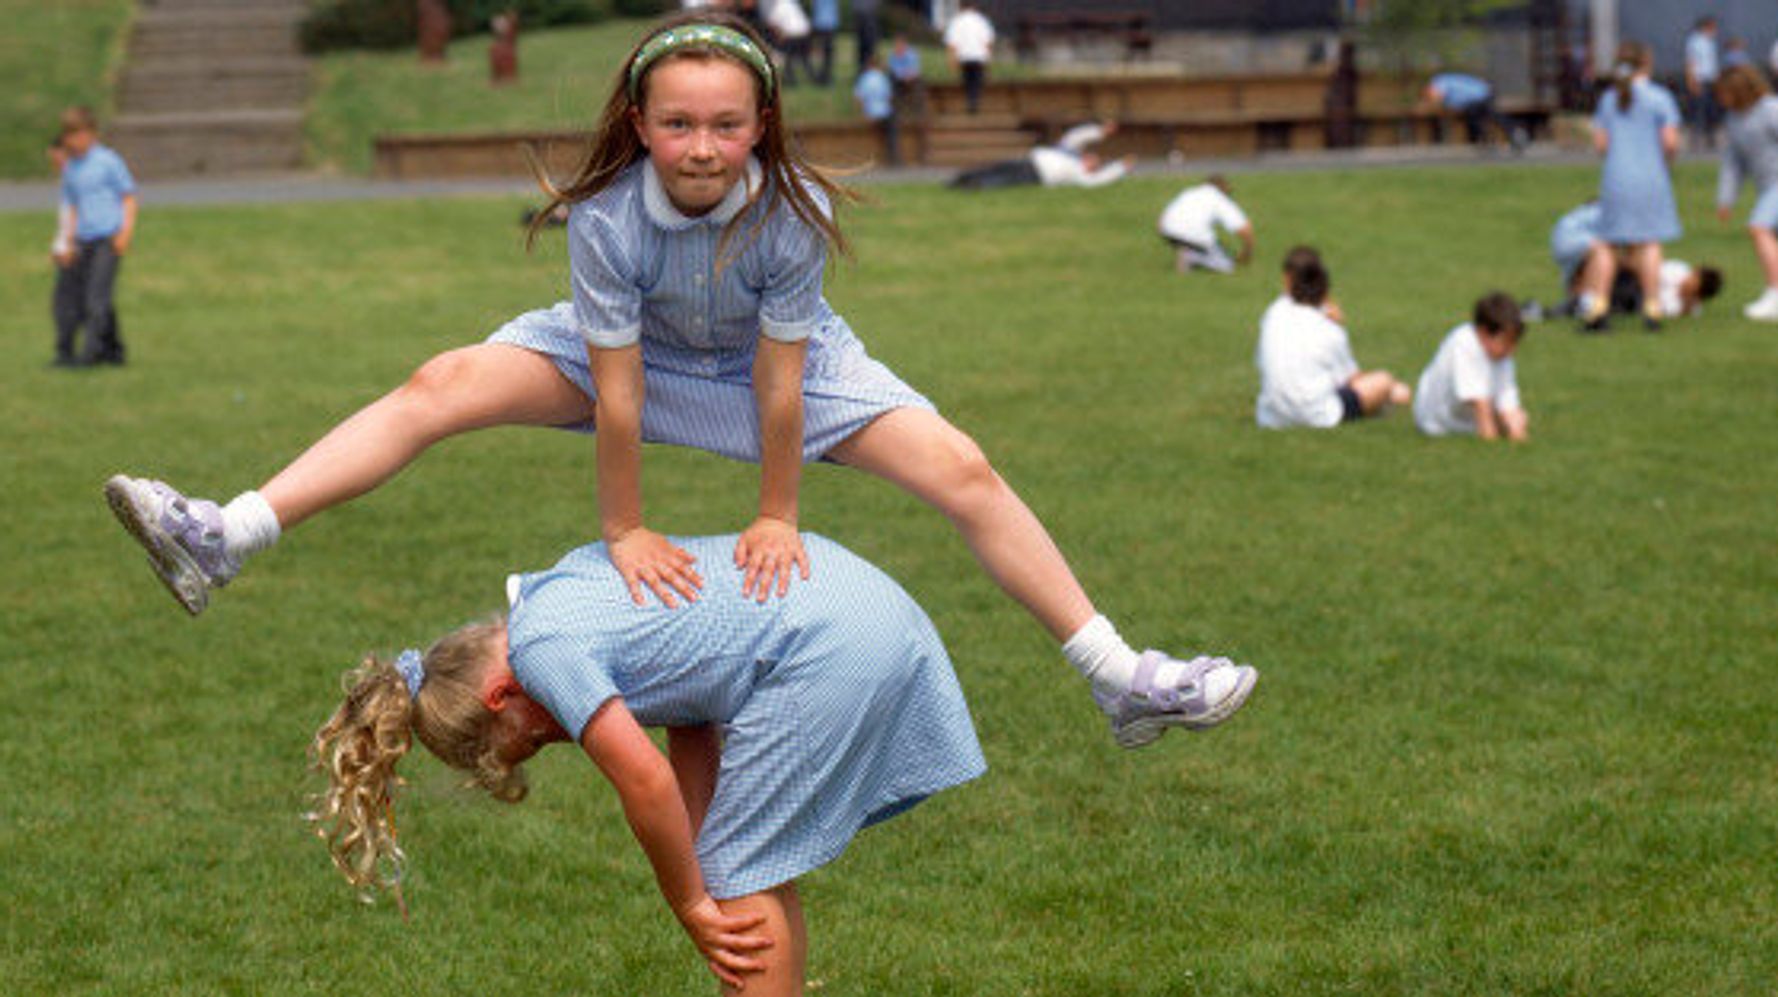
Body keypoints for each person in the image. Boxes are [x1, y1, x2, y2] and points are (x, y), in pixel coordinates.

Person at [106, 13, 1257, 749]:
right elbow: (615, 393)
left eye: (725, 124)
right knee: (441, 379)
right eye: (677, 125)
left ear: (760, 124)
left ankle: (1120, 676)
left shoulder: (788, 219)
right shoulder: (607, 223)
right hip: (633, 355)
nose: (702, 146)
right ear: (641, 126)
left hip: (778, 367)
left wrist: (775, 510)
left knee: (963, 468)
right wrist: (623, 530)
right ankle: (228, 532)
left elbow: (777, 384)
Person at [309, 533, 1002, 994]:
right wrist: (709, 864)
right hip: (855, 602)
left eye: (532, 740)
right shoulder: (558, 591)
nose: (560, 737)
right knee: (746, 862)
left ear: (501, 695)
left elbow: (644, 777)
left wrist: (692, 901)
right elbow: (692, 713)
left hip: (823, 645)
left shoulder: (544, 649)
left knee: (740, 874)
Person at [1580, 42, 1682, 333]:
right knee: (1649, 242)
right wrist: (1667, 163)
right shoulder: (1661, 98)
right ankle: (1652, 307)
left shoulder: (1609, 99)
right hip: (1651, 176)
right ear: (1647, 62)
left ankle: (1598, 306)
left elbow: (1600, 144)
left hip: (1616, 177)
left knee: (1606, 243)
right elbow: (1671, 142)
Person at [1254, 246, 1411, 430]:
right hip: (1318, 415)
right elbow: (1353, 380)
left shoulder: (1273, 313)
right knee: (1384, 381)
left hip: (1271, 416)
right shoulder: (1330, 330)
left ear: (1288, 280)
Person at [54, 106, 136, 367]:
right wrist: (67, 241)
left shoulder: (108, 161)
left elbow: (128, 197)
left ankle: (89, 355)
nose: (74, 141)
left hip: (107, 238)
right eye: (69, 135)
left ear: (92, 134)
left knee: (95, 298)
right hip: (83, 238)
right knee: (88, 296)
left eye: (79, 135)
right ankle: (114, 350)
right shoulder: (71, 169)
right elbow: (72, 207)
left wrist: (125, 232)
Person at [1412, 293, 1528, 442]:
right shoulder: (1464, 343)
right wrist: (1491, 443)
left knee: (1519, 418)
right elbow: (1480, 404)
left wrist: (1517, 429)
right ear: (1484, 332)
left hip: (1465, 420)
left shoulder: (1501, 356)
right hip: (1438, 423)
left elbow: (1507, 399)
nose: (1512, 350)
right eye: (1506, 342)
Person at [1713, 63, 1778, 320]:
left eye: (1724, 93)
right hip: (1766, 187)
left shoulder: (1770, 110)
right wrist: (1726, 198)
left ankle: (1775, 294)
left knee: (1758, 227)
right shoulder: (1734, 120)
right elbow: (1733, 163)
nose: (1720, 99)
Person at [948, 121, 1133, 191]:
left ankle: (970, 187)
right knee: (997, 167)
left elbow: (1098, 181)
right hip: (1031, 160)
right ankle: (961, 178)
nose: (1091, 159)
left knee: (1000, 181)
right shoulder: (1070, 151)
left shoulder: (1080, 175)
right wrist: (1101, 132)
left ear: (1093, 168)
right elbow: (1076, 136)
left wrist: (1120, 168)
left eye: (1095, 162)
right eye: (1092, 156)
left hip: (1038, 175)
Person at [1157, 175, 1253, 275]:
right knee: (1227, 266)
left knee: (1195, 242)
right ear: (1223, 190)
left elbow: (1160, 221)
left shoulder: (1189, 192)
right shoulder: (1219, 198)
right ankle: (1192, 256)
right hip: (1192, 234)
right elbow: (1245, 229)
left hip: (1166, 230)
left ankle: (1189, 255)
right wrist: (1247, 252)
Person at [1421, 71, 1526, 152]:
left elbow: (1438, 96)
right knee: (1477, 120)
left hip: (1481, 93)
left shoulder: (1439, 81)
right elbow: (1450, 103)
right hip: (1475, 99)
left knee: (1492, 116)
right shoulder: (1446, 94)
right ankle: (1488, 142)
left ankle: (1515, 133)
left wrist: (1430, 104)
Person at [47, 135, 82, 368]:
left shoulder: (77, 178)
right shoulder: (69, 179)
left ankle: (66, 353)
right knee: (91, 304)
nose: (53, 163)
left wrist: (67, 246)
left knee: (64, 304)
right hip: (70, 248)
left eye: (55, 157)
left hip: (76, 250)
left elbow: (77, 216)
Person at [1546, 200, 1608, 319]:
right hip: (1576, 238)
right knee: (1602, 256)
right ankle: (1587, 306)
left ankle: (1580, 302)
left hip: (1561, 234)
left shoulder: (1576, 218)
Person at [943, 2, 994, 115]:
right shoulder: (981, 21)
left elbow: (952, 43)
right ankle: (974, 101)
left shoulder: (956, 21)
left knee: (967, 80)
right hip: (979, 56)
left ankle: (970, 101)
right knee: (976, 81)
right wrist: (989, 61)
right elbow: (988, 42)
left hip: (964, 56)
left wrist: (952, 61)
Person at [1684, 16, 1722, 150]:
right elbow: (1691, 62)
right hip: (1699, 80)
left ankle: (1710, 139)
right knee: (1698, 110)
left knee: (1711, 110)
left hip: (1710, 80)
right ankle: (1696, 140)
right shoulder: (1695, 42)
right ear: (1706, 27)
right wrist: (1691, 81)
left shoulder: (1710, 42)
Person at [853, 54, 898, 166]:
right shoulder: (882, 77)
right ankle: (894, 157)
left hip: (870, 113)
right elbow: (889, 97)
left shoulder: (864, 78)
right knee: (892, 129)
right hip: (884, 113)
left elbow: (858, 98)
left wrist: (862, 113)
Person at [764, 0, 814, 87]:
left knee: (789, 60)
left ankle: (791, 80)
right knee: (804, 59)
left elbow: (774, 23)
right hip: (803, 31)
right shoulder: (790, 3)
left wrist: (780, 35)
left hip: (792, 33)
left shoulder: (776, 7)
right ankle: (812, 78)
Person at [887, 33, 925, 117]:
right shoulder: (893, 56)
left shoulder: (912, 54)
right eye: (896, 44)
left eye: (899, 44)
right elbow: (893, 70)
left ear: (905, 44)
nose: (897, 47)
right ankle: (894, 113)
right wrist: (903, 76)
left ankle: (919, 116)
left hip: (912, 79)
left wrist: (908, 76)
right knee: (891, 81)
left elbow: (915, 70)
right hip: (899, 80)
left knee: (918, 86)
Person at [809, 0, 837, 85]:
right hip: (828, 23)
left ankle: (820, 76)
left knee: (821, 52)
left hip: (818, 22)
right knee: (828, 53)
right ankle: (825, 77)